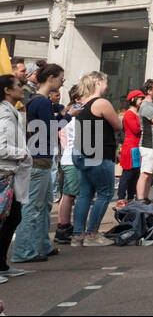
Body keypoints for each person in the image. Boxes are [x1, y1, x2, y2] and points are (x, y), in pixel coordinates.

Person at [11, 62, 65, 265]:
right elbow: (49, 131)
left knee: (41, 206)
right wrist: (67, 116)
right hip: (38, 160)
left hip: (39, 158)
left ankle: (41, 244)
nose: (62, 82)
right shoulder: (41, 102)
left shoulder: (37, 101)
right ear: (50, 78)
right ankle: (23, 250)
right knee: (33, 206)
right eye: (60, 78)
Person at [71, 71, 121, 247]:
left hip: (82, 151)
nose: (107, 86)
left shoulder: (83, 104)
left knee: (84, 195)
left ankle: (78, 235)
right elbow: (117, 125)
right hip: (99, 153)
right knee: (105, 193)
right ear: (98, 83)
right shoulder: (101, 103)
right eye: (106, 83)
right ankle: (92, 234)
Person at [0, 74, 34, 281]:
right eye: (19, 85)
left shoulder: (13, 112)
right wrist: (20, 153)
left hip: (12, 174)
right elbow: (1, 147)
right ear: (7, 90)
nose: (22, 88)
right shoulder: (4, 114)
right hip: (5, 174)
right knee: (5, 221)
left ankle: (2, 264)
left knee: (13, 219)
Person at [53, 81, 87, 245]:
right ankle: (63, 227)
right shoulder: (75, 115)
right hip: (72, 159)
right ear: (78, 98)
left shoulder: (71, 113)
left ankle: (64, 226)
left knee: (69, 194)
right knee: (69, 194)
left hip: (72, 158)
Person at [116, 90, 144, 207]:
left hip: (136, 146)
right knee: (127, 174)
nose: (142, 101)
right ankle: (121, 198)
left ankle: (131, 196)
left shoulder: (137, 114)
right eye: (140, 99)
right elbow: (136, 129)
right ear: (133, 100)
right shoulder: (129, 114)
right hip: (130, 146)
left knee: (135, 173)